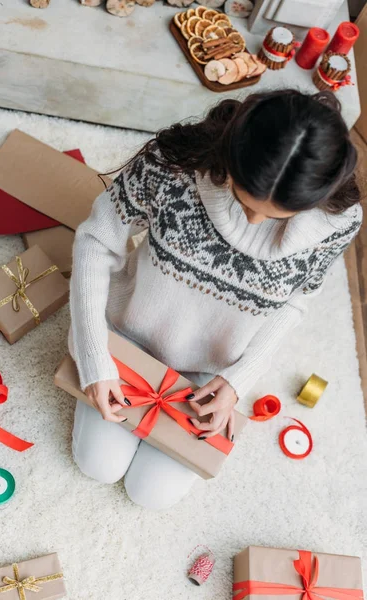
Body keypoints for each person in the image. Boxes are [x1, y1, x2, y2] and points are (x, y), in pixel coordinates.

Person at [69, 89, 362, 510]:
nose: (254, 221)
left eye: (277, 215)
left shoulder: (340, 221)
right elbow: (96, 240)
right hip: (127, 338)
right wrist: (94, 355)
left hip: (210, 375)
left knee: (152, 494)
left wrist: (238, 381)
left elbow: (296, 303)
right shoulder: (174, 164)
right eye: (245, 200)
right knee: (97, 465)